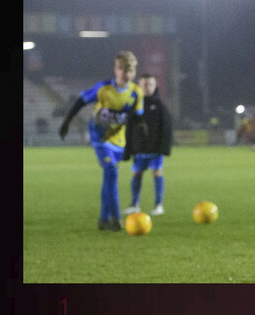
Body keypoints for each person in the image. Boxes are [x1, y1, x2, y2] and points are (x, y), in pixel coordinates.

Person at [58, 50, 146, 231]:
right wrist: (66, 122)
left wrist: (142, 125)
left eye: (129, 70)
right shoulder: (103, 88)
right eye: (122, 69)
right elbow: (80, 101)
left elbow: (136, 115)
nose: (125, 73)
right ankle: (116, 219)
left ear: (134, 72)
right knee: (111, 172)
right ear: (115, 69)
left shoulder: (136, 92)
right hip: (99, 136)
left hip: (118, 140)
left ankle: (103, 219)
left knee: (109, 177)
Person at [122, 73, 173, 216]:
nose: (147, 87)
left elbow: (167, 128)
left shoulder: (160, 106)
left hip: (155, 149)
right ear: (139, 86)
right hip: (139, 149)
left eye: (150, 84)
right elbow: (129, 129)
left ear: (155, 86)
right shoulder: (134, 106)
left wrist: (164, 148)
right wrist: (128, 150)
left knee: (157, 173)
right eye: (144, 84)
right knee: (136, 174)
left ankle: (158, 205)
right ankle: (134, 204)